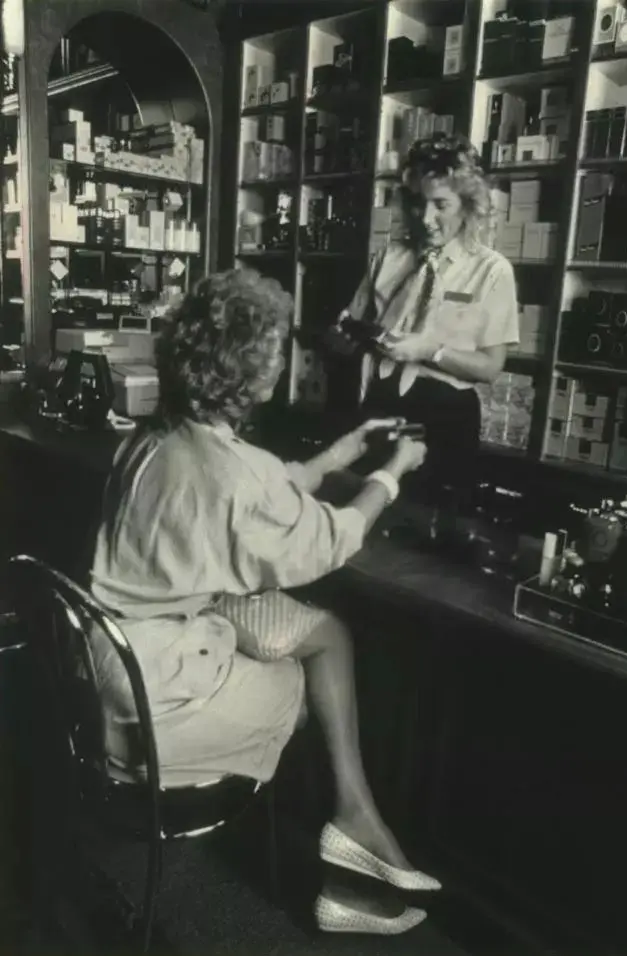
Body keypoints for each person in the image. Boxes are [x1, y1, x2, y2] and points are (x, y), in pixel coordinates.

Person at [88, 268, 437, 936]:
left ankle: (354, 828)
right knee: (301, 674)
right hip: (154, 700)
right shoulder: (233, 474)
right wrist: (391, 476)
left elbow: (252, 483)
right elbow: (333, 537)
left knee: (322, 630)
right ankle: (343, 858)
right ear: (258, 371)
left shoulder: (148, 440)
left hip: (109, 660)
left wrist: (336, 457)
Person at [338, 132, 519, 535]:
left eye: (441, 205)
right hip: (380, 403)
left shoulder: (491, 270)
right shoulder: (388, 257)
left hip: (443, 416)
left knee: (427, 536)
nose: (426, 217)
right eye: (418, 203)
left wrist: (430, 350)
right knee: (365, 522)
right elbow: (350, 324)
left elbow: (491, 367)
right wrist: (349, 330)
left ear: (468, 206)